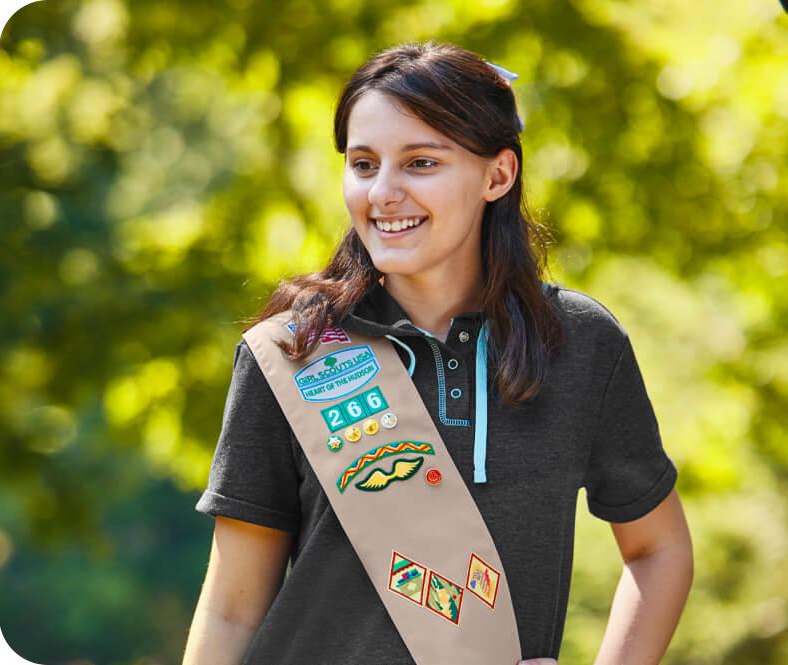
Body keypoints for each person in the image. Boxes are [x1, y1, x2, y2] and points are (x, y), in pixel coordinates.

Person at [182, 39, 693, 665]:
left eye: (420, 163)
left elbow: (658, 549)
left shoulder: (580, 344)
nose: (383, 193)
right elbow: (231, 609)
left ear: (497, 175)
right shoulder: (294, 352)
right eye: (364, 164)